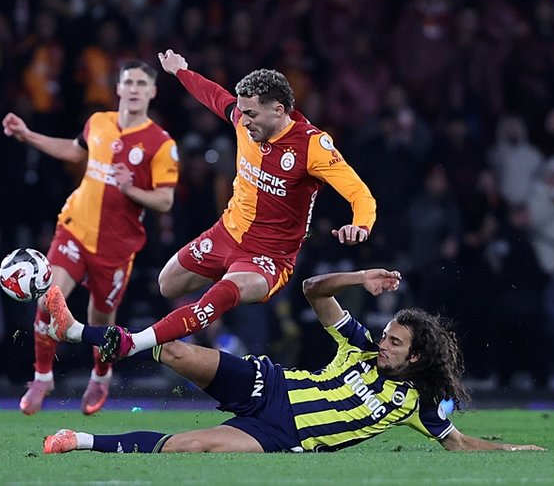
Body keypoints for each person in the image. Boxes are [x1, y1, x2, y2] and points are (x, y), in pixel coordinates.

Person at [78, 48, 376, 362]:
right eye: (242, 112)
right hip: (226, 234)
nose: (243, 121)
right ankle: (224, 292)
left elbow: (360, 194)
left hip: (269, 256)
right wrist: (180, 71)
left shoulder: (313, 145)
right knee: (167, 284)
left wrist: (361, 225)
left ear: (278, 110)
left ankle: (134, 342)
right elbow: (214, 96)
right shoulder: (243, 120)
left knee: (219, 295)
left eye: (252, 114)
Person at [40, 269, 545, 454]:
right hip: (268, 383)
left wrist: (517, 450)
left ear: (415, 356)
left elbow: (459, 444)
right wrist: (360, 277)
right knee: (172, 348)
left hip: (282, 434)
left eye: (394, 342)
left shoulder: (417, 403)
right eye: (386, 335)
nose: (383, 344)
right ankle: (75, 330)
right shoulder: (359, 344)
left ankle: (77, 441)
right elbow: (312, 290)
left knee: (192, 446)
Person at [2, 59, 179, 415]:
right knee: (47, 299)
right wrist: (28, 135)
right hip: (74, 228)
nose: (134, 89)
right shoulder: (98, 122)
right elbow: (75, 150)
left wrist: (131, 189)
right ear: (118, 88)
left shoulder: (161, 143)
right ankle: (42, 377)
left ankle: (101, 375)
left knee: (99, 321)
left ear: (152, 92)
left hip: (115, 246)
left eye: (141, 84)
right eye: (128, 82)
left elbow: (165, 200)